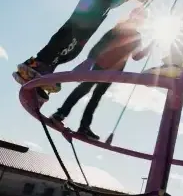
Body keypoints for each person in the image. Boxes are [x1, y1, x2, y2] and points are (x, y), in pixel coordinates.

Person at [13, 0, 183, 93]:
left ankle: (47, 68)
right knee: (71, 32)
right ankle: (37, 62)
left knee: (76, 46)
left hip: (102, 8)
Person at [49, 7, 153, 140]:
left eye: (142, 18)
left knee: (95, 97)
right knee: (84, 89)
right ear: (132, 15)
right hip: (101, 65)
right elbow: (100, 44)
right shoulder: (119, 28)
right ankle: (60, 114)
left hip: (114, 72)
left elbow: (136, 56)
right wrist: (90, 60)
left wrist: (150, 46)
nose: (139, 20)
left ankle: (83, 127)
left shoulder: (136, 36)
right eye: (138, 16)